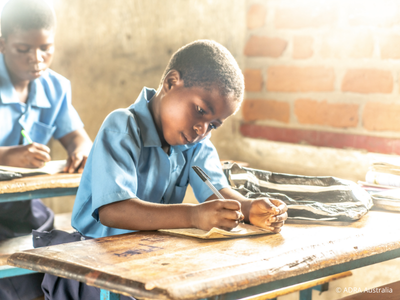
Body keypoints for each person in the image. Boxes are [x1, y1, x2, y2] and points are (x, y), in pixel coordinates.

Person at [38, 39, 288, 300]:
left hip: (148, 259)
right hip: (92, 265)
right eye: (200, 111)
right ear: (170, 83)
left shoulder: (196, 144)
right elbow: (114, 210)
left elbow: (217, 192)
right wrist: (193, 216)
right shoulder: (123, 127)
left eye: (213, 124)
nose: (202, 130)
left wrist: (248, 209)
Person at [0, 0, 92, 299]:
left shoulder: (55, 87)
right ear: (2, 44)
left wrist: (80, 150)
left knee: (67, 254)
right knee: (17, 279)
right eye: (23, 49)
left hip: (24, 209)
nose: (36, 59)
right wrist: (6, 156)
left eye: (45, 48)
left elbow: (78, 137)